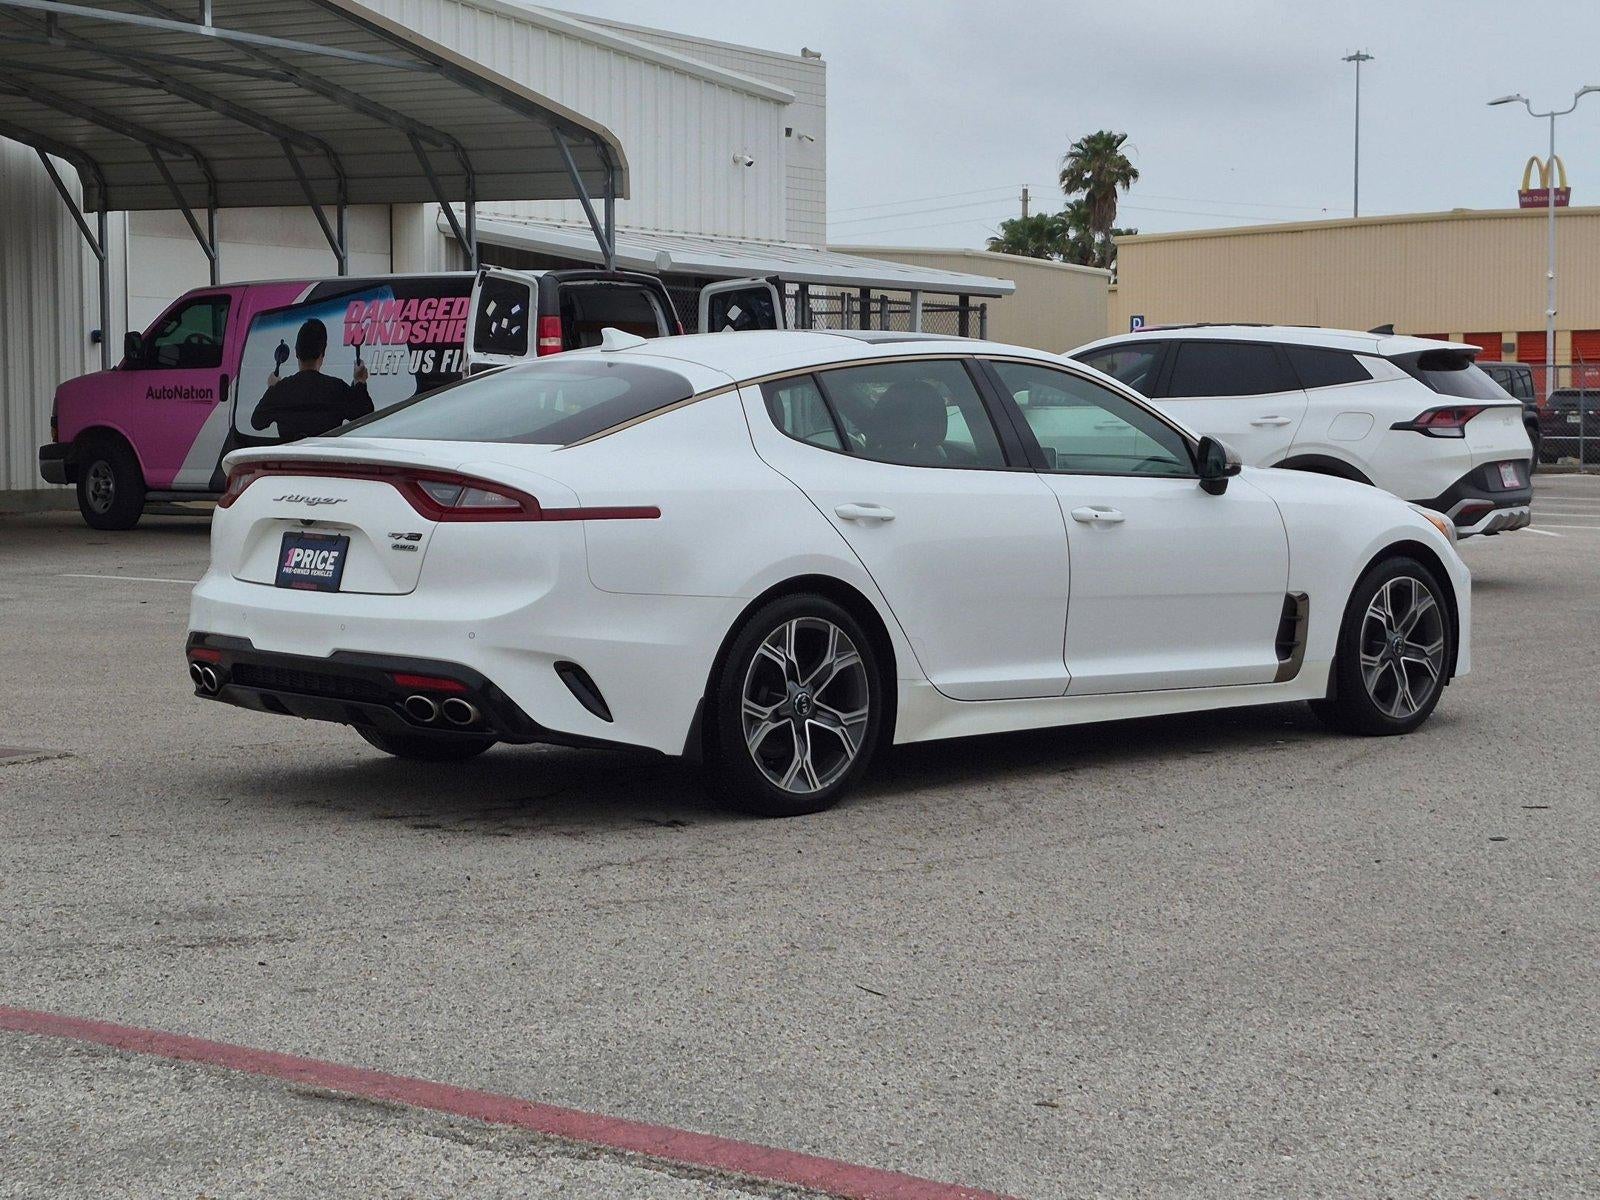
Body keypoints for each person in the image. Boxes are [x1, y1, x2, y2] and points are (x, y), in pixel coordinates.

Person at [251, 318, 372, 441]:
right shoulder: (336, 388)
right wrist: (360, 382)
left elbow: (257, 422)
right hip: (323, 457)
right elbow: (366, 415)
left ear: (296, 352)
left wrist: (272, 388)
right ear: (322, 353)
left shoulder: (281, 389)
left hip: (291, 458)